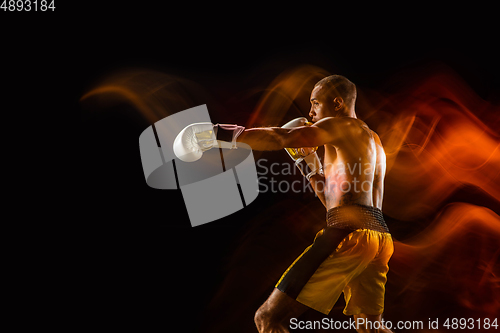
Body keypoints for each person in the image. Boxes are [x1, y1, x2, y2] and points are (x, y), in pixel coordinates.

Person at [173, 74, 394, 332]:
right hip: (378, 239)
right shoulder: (373, 141)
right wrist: (309, 165)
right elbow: (334, 206)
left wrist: (214, 134)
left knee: (268, 319)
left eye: (315, 104)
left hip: (348, 235)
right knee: (371, 328)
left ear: (337, 103)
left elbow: (281, 137)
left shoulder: (341, 125)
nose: (310, 113)